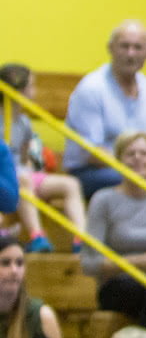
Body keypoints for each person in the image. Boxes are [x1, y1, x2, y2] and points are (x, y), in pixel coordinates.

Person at [83, 131, 146, 328]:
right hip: (117, 284)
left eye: (144, 153)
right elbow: (89, 263)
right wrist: (142, 262)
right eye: (130, 153)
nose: (137, 158)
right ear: (118, 161)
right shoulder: (103, 200)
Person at [64, 20, 146, 198]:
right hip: (92, 171)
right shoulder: (91, 88)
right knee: (130, 182)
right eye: (124, 46)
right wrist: (135, 170)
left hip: (139, 170)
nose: (130, 54)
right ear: (110, 48)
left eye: (138, 47)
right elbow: (92, 153)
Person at [1, 63, 88, 253]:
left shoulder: (23, 122)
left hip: (23, 177)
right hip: (8, 181)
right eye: (31, 86)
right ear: (20, 90)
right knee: (23, 179)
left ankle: (82, 238)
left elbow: (27, 157)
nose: (34, 91)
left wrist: (35, 165)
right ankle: (37, 235)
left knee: (70, 184)